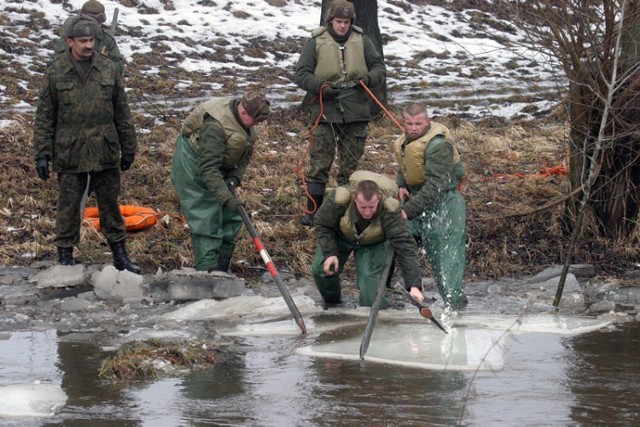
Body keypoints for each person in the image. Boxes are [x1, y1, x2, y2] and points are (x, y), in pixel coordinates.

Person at [33, 14, 141, 273]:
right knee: (68, 206)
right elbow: (45, 116)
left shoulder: (108, 68)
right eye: (83, 41)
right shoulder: (55, 71)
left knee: (110, 204)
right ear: (70, 41)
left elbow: (121, 111)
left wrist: (129, 147)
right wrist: (42, 153)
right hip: (70, 150)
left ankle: (119, 255)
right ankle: (66, 257)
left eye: (92, 40)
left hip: (104, 147)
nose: (89, 45)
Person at [295, 0, 386, 226]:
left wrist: (369, 79)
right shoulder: (315, 42)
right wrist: (321, 87)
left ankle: (344, 210)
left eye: (346, 22)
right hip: (325, 110)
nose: (343, 26)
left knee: (350, 165)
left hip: (356, 109)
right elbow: (302, 74)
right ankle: (312, 213)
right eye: (339, 21)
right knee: (319, 163)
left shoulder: (363, 40)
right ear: (331, 21)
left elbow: (379, 68)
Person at [170, 91, 270, 272]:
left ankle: (221, 268)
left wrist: (234, 177)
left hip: (218, 164)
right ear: (243, 113)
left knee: (231, 216)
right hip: (194, 164)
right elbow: (208, 169)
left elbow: (246, 153)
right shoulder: (215, 127)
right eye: (256, 121)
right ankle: (207, 273)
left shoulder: (245, 124)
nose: (257, 126)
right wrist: (226, 197)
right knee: (206, 217)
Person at [312, 171, 424, 308]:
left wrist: (414, 286)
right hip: (341, 236)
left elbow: (405, 247)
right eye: (363, 207)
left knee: (370, 294)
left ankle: (379, 320)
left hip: (374, 243)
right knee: (321, 270)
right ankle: (333, 304)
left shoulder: (389, 210)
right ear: (354, 199)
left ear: (379, 199)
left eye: (371, 207)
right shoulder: (340, 201)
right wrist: (330, 253)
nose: (367, 212)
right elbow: (322, 224)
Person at [394, 102, 467, 309]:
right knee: (398, 240)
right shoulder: (404, 142)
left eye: (418, 123)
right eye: (410, 124)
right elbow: (406, 167)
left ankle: (456, 308)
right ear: (404, 123)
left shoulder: (439, 146)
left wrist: (407, 210)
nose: (414, 128)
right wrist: (402, 185)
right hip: (419, 201)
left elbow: (435, 186)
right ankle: (406, 290)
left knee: (446, 263)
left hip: (445, 204)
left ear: (427, 122)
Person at [52, 1, 124, 74]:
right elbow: (56, 63)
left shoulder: (107, 40)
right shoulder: (71, 36)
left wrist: (106, 62)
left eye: (98, 22)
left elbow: (119, 67)